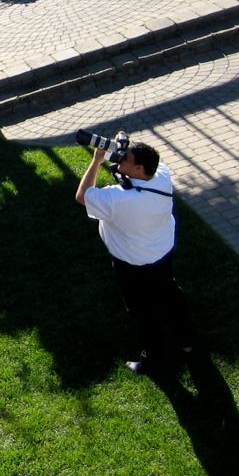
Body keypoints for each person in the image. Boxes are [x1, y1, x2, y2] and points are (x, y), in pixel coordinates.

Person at [75, 133, 197, 375]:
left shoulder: (119, 199)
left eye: (125, 158)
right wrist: (122, 149)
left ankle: (153, 359)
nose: (120, 158)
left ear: (139, 168)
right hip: (162, 253)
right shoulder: (161, 175)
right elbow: (139, 170)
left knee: (143, 312)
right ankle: (188, 342)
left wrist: (97, 160)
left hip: (132, 265)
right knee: (171, 296)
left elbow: (82, 196)